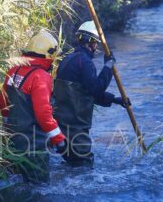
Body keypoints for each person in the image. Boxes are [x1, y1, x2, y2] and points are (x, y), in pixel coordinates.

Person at [53, 21, 130, 167]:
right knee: (84, 166)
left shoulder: (67, 59)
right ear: (91, 43)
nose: (96, 48)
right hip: (76, 127)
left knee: (72, 165)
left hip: (62, 125)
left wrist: (115, 100)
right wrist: (108, 66)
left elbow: (84, 93)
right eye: (96, 44)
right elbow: (96, 89)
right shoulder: (85, 62)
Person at [0, 30, 66, 183]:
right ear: (49, 56)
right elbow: (43, 114)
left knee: (19, 182)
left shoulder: (13, 71)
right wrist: (58, 138)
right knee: (39, 187)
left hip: (14, 141)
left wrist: (7, 125)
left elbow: (2, 101)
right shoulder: (41, 76)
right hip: (34, 143)